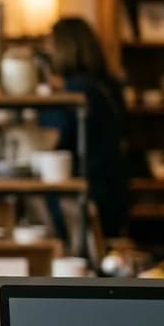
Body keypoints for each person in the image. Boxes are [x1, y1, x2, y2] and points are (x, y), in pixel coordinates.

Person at [39, 17, 129, 240]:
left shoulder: (76, 90)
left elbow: (53, 138)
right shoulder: (109, 84)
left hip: (88, 192)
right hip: (113, 188)